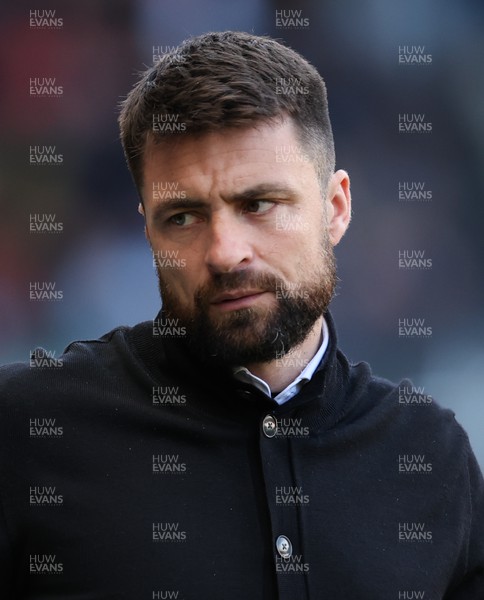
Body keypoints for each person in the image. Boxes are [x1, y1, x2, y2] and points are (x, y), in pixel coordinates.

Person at [0, 30, 483, 599]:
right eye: (182, 216)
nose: (225, 252)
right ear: (147, 229)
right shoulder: (27, 430)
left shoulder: (427, 452)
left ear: (336, 208)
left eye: (258, 204)